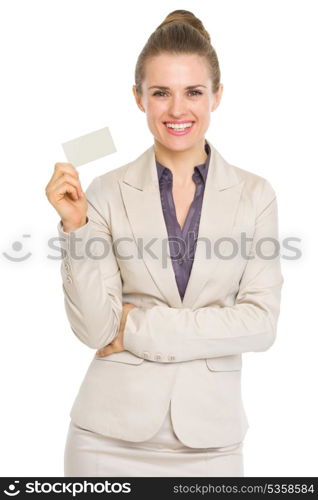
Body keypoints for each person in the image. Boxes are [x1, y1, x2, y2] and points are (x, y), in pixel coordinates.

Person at [45, 9, 284, 477]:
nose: (178, 110)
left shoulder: (256, 195)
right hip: (105, 439)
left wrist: (133, 328)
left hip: (212, 444)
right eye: (161, 93)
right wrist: (76, 228)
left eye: (194, 92)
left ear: (217, 95)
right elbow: (96, 330)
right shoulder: (106, 191)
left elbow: (260, 324)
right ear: (139, 98)